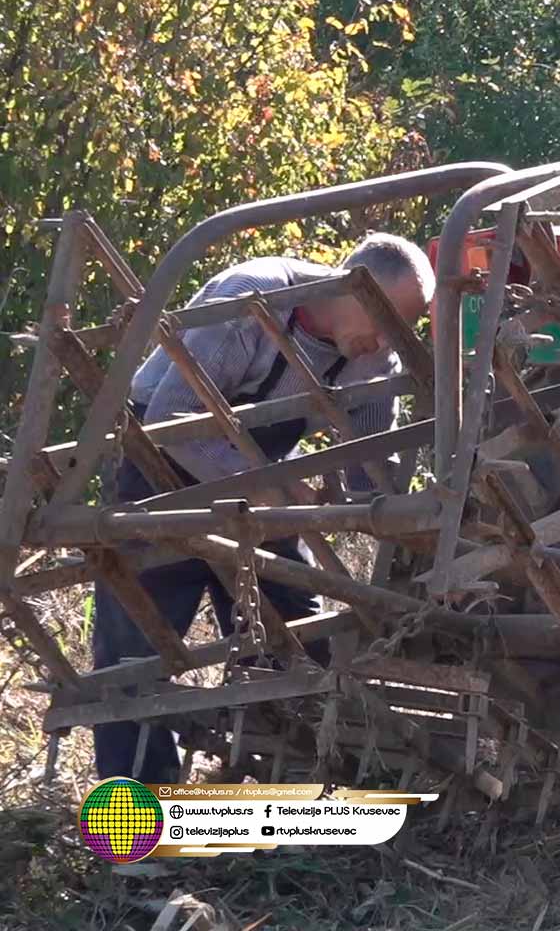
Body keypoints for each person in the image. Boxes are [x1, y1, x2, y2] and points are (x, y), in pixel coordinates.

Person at [91, 234, 433, 782]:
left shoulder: (373, 354)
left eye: (402, 328)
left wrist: (387, 508)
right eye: (385, 321)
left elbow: (369, 464)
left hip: (263, 472)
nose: (386, 341)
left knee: (293, 630)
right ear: (353, 287)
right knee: (137, 647)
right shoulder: (251, 301)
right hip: (159, 470)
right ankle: (137, 812)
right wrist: (263, 491)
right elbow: (169, 420)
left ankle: (282, 781)